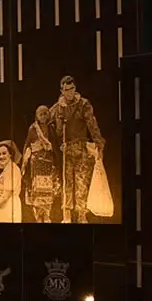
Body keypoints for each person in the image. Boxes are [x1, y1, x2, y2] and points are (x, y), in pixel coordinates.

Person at [49, 75, 105, 223]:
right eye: (66, 90)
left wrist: (98, 142)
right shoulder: (57, 108)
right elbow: (45, 122)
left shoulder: (83, 104)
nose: (69, 92)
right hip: (65, 151)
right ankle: (66, 214)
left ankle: (81, 214)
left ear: (75, 88)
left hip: (80, 148)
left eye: (72, 89)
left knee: (81, 182)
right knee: (67, 182)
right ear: (61, 90)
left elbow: (92, 124)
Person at [21, 105, 58, 222]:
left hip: (48, 163)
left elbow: (54, 145)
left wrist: (49, 148)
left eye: (45, 114)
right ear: (37, 116)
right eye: (40, 114)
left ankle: (46, 215)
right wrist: (26, 161)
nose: (43, 117)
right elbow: (28, 145)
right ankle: (38, 217)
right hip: (36, 164)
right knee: (37, 190)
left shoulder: (51, 128)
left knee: (47, 190)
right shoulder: (33, 128)